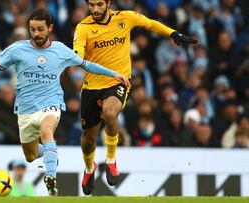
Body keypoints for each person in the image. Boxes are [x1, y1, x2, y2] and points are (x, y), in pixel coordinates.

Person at [0, 8, 129, 196]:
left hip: (51, 103)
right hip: (25, 109)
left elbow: (86, 65)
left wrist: (114, 74)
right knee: (30, 155)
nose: (36, 34)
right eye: (33, 30)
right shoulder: (17, 49)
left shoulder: (60, 50)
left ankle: (51, 177)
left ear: (50, 28)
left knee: (47, 131)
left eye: (40, 29)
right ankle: (50, 153)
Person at [73, 0, 197, 195]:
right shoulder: (83, 27)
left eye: (99, 4)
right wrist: (76, 56)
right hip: (92, 86)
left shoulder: (125, 18)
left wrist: (172, 33)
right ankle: (89, 169)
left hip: (118, 82)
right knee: (88, 139)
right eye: (91, 5)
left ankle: (111, 160)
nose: (95, 9)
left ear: (108, 3)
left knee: (110, 112)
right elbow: (78, 51)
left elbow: (150, 23)